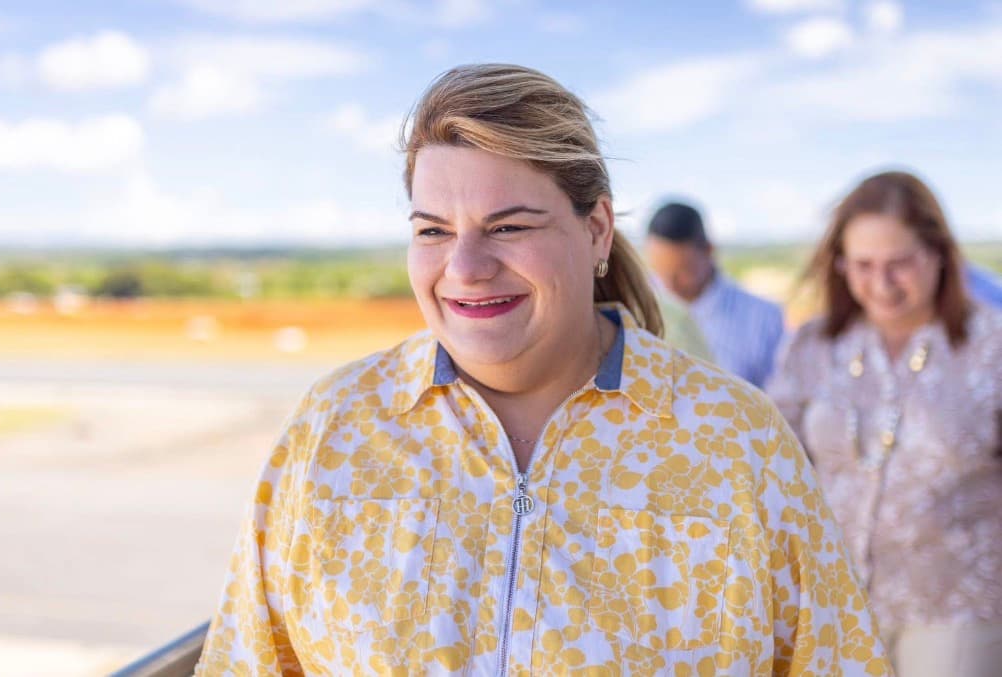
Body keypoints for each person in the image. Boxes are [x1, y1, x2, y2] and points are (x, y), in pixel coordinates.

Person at [195, 64, 887, 676]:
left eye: (508, 226)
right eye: (433, 229)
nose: (464, 268)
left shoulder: (737, 444)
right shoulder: (333, 432)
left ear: (596, 230)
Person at [766, 170, 1002, 677]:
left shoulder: (991, 346)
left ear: (939, 254)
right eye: (864, 266)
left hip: (957, 605)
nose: (881, 284)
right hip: (835, 604)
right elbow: (771, 460)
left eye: (900, 264)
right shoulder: (814, 346)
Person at [644, 201, 784, 388]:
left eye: (683, 272)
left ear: (709, 250)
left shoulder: (764, 319)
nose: (670, 285)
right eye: (661, 271)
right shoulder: (635, 310)